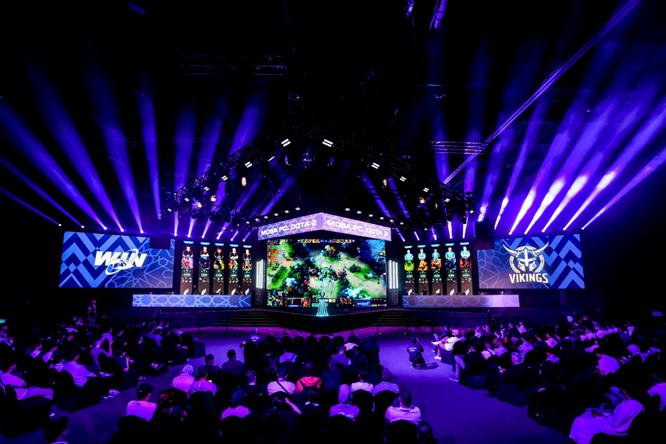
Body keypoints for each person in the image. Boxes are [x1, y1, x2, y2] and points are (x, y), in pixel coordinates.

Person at [569, 388, 644, 444]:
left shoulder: (628, 405)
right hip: (618, 426)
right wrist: (604, 415)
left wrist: (599, 417)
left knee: (580, 421)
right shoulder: (636, 403)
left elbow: (615, 423)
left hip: (615, 430)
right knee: (588, 413)